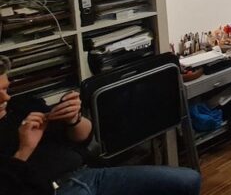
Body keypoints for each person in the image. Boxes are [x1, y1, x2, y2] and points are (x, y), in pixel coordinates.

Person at [0, 57, 201, 195]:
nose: (6, 98)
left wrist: (74, 119)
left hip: (88, 174)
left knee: (189, 180)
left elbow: (84, 138)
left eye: (6, 89)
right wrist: (24, 150)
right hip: (52, 190)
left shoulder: (22, 105)